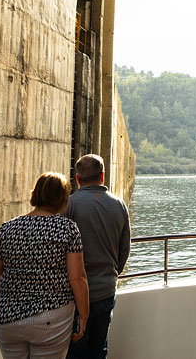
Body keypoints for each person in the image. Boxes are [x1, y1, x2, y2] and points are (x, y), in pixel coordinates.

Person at [0, 172, 90, 359]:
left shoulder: (7, 228)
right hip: (51, 318)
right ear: (62, 198)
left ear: (35, 194)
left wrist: (0, 308)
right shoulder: (67, 228)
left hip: (7, 318)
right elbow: (77, 278)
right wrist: (83, 316)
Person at [65, 154, 131, 359]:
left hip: (75, 295)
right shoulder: (119, 205)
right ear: (103, 176)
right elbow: (124, 250)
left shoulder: (69, 205)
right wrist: (111, 274)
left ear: (77, 178)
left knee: (75, 351)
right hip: (106, 290)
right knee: (99, 349)